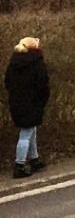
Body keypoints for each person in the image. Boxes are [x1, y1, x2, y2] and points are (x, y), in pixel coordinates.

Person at [6, 36, 50, 179]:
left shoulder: (13, 63)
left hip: (16, 101)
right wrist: (42, 100)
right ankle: (19, 165)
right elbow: (43, 84)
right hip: (33, 102)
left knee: (31, 129)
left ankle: (34, 159)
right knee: (26, 132)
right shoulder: (37, 63)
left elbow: (7, 82)